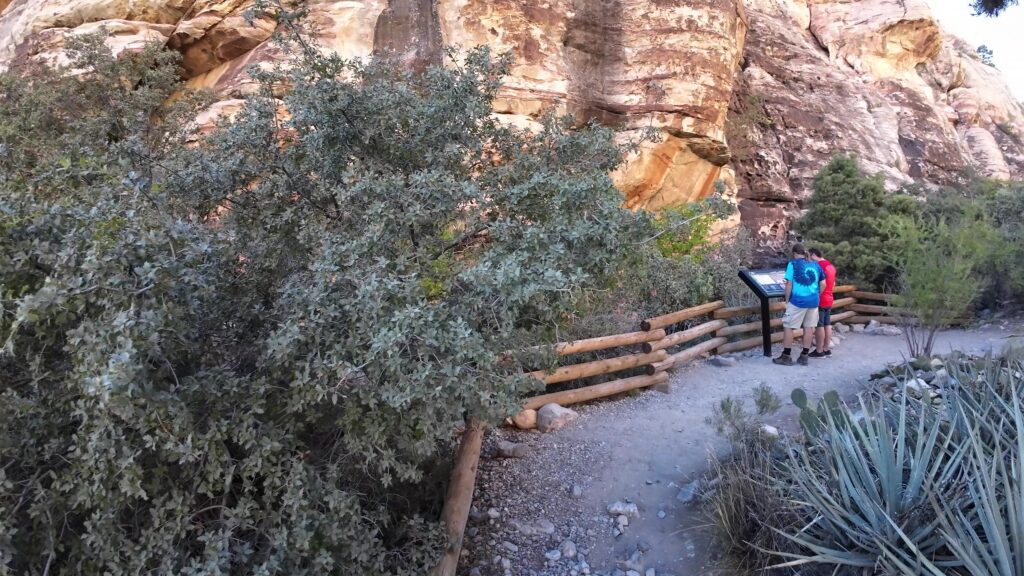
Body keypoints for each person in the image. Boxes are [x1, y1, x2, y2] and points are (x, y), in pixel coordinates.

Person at [773, 244, 825, 366]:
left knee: (788, 326)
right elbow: (823, 284)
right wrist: (817, 294)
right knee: (809, 327)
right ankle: (804, 356)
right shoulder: (816, 265)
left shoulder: (793, 264)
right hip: (813, 301)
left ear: (795, 253)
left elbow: (789, 284)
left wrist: (787, 300)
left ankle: (786, 356)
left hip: (798, 301)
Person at [808, 247, 836, 358]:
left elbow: (816, 283)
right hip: (829, 298)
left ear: (814, 255)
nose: (809, 259)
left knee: (819, 325)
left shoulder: (818, 266)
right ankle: (826, 348)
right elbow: (833, 284)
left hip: (820, 299)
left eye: (809, 256)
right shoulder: (831, 266)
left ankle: (819, 351)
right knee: (827, 324)